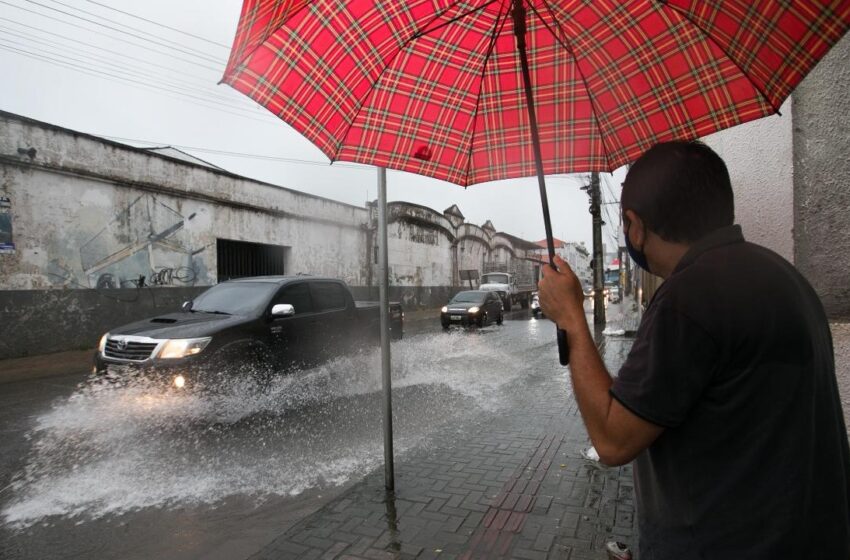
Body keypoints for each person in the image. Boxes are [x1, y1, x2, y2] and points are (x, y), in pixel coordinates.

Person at [538, 140, 850, 559]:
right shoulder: (783, 276)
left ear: (634, 225)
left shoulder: (688, 300)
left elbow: (613, 441)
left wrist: (572, 317)